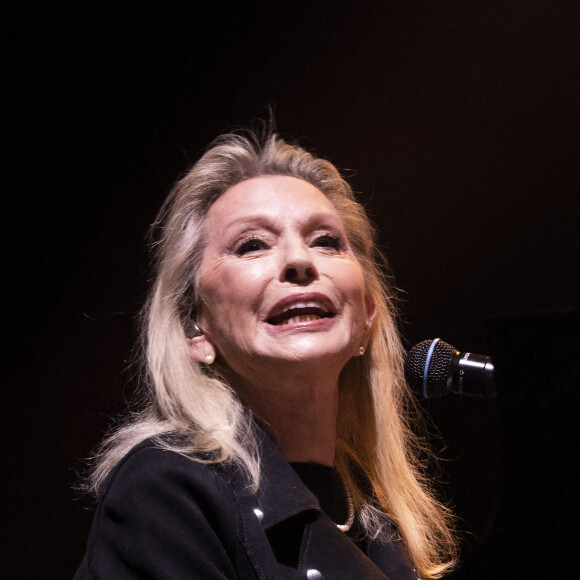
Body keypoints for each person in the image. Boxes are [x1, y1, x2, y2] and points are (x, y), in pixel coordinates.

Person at [74, 127, 457, 579]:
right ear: (192, 328)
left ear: (367, 314)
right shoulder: (166, 490)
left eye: (326, 241)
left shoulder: (383, 528)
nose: (300, 261)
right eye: (252, 245)